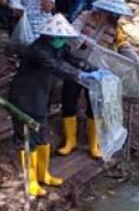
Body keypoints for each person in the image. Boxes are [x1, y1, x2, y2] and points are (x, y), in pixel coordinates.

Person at [8, 14, 96, 197]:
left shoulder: (58, 46)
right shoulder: (39, 50)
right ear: (50, 36)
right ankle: (30, 180)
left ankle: (43, 174)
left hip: (41, 96)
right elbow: (57, 67)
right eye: (60, 37)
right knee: (28, 138)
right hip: (25, 96)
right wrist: (79, 76)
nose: (63, 41)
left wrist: (91, 69)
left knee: (42, 134)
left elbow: (71, 59)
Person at [58, 0, 139, 159]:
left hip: (96, 71)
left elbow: (124, 47)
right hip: (74, 66)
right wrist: (83, 39)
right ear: (103, 10)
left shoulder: (116, 29)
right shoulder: (85, 16)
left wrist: (137, 60)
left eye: (117, 15)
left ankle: (94, 144)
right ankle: (70, 141)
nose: (114, 17)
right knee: (69, 101)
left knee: (94, 106)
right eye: (112, 14)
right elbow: (70, 32)